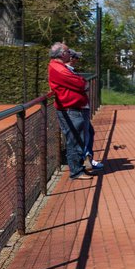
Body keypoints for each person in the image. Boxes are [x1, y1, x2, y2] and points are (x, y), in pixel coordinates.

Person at [47, 43, 95, 181]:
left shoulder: (60, 67)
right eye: (68, 51)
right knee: (74, 140)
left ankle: (79, 168)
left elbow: (81, 82)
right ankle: (76, 171)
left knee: (79, 138)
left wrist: (82, 82)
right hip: (70, 109)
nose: (71, 54)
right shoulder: (59, 69)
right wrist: (82, 83)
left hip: (74, 108)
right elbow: (81, 84)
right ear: (63, 54)